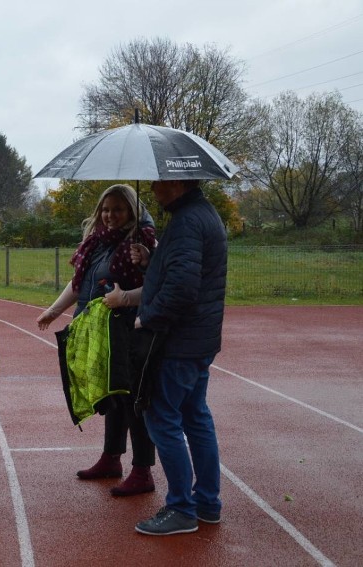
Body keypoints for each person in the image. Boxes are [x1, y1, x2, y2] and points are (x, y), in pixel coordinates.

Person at [36, 184, 157, 496]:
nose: (110, 215)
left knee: (132, 399)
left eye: (118, 209)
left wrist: (145, 260)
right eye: (106, 208)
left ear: (132, 210)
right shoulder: (96, 242)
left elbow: (159, 284)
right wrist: (53, 311)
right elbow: (79, 284)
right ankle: (111, 458)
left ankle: (142, 471)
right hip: (95, 329)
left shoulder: (142, 241)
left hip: (126, 329)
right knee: (110, 395)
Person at [133, 179, 227, 536]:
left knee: (161, 417)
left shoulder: (188, 221)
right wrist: (152, 259)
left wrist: (148, 316)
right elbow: (185, 272)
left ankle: (181, 509)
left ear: (177, 181)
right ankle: (206, 503)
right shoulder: (200, 215)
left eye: (159, 179)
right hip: (198, 339)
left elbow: (183, 289)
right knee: (195, 416)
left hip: (180, 342)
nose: (154, 186)